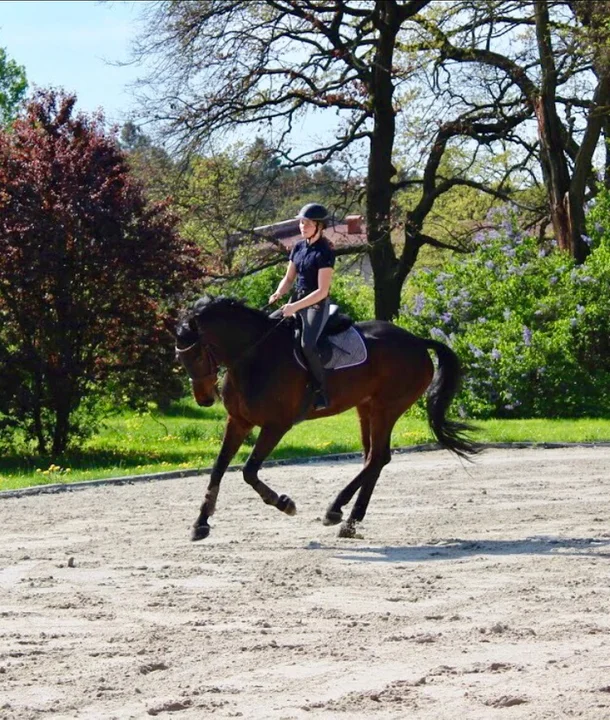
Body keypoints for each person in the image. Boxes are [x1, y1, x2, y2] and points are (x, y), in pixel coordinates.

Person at [269, 202, 335, 410]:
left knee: (307, 345)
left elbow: (322, 291)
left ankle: (320, 390)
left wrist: (295, 307)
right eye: (301, 222)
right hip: (295, 300)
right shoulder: (298, 246)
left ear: (319, 226)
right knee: (268, 328)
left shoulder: (326, 251)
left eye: (306, 223)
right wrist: (280, 291)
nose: (302, 226)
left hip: (316, 305)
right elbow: (289, 278)